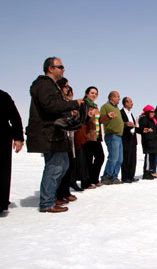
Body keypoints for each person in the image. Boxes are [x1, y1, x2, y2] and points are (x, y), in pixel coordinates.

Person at [26, 57, 82, 213]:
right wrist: (73, 103)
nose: (63, 69)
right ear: (50, 68)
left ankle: (53, 196)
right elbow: (49, 106)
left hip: (55, 132)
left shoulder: (52, 86)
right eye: (60, 66)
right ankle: (47, 202)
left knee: (62, 164)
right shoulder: (44, 84)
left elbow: (53, 106)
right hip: (48, 132)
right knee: (55, 167)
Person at [76, 86, 105, 190]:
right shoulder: (84, 104)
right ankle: (86, 182)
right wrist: (89, 115)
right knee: (88, 159)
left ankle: (94, 179)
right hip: (87, 136)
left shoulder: (95, 106)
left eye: (96, 93)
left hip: (96, 136)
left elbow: (99, 120)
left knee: (100, 157)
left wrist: (108, 116)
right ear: (87, 94)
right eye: (92, 93)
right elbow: (81, 119)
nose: (94, 95)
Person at [0, 89, 24, 214]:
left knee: (2, 171)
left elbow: (15, 117)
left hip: (2, 138)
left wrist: (18, 138)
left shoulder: (3, 96)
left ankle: (1, 202)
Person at [55, 79, 78, 202]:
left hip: (69, 139)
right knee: (58, 167)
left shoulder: (67, 104)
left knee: (68, 165)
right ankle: (56, 195)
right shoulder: (58, 103)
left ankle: (65, 192)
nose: (68, 89)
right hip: (59, 138)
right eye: (66, 87)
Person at [100, 91, 124, 184]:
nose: (119, 98)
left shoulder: (117, 109)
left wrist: (126, 124)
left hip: (119, 135)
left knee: (119, 159)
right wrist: (108, 115)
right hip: (112, 135)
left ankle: (114, 176)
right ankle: (106, 176)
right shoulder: (105, 107)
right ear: (112, 98)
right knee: (113, 157)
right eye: (118, 96)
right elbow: (101, 119)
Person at [120, 97, 143, 183]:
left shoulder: (131, 114)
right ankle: (125, 177)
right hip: (126, 138)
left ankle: (131, 176)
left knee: (133, 158)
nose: (132, 103)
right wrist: (127, 125)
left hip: (133, 138)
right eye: (130, 102)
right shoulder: (121, 113)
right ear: (125, 103)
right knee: (126, 158)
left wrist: (142, 130)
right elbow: (121, 125)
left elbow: (133, 127)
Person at [139, 105, 157, 180]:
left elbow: (155, 131)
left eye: (154, 112)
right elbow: (143, 129)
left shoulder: (152, 120)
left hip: (153, 140)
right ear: (147, 112)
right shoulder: (144, 119)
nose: (153, 113)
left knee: (153, 157)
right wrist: (147, 130)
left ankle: (150, 171)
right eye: (151, 111)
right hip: (147, 141)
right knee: (148, 157)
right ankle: (146, 172)